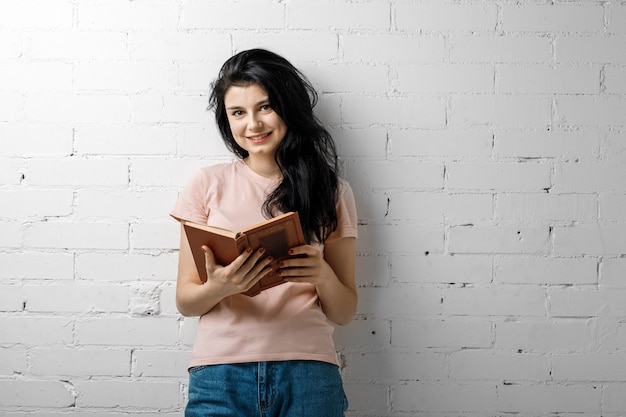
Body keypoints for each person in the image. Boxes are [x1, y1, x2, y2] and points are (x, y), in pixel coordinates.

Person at [170, 48, 358, 417]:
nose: (252, 124)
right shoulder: (206, 184)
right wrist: (221, 287)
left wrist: (321, 275)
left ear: (289, 107)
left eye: (265, 107)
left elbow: (345, 310)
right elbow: (185, 301)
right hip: (221, 373)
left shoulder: (333, 191)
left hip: (308, 371)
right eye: (238, 112)